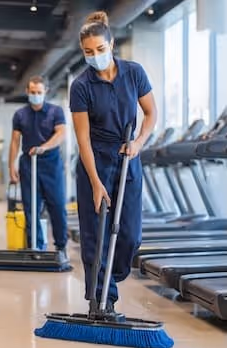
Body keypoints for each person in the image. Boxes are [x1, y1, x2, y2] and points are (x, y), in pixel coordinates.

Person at [70, 11, 157, 315]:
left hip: (127, 157)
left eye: (100, 50)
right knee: (96, 235)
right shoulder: (81, 86)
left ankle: (112, 277)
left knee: (130, 235)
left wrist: (138, 143)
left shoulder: (134, 73)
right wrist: (95, 182)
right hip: (95, 160)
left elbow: (150, 114)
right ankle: (101, 298)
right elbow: (82, 140)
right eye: (88, 53)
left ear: (112, 44)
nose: (94, 57)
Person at [8, 75, 69, 261]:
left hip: (51, 163)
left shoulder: (56, 112)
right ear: (27, 92)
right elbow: (15, 141)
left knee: (57, 205)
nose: (35, 95)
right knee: (30, 207)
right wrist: (11, 165)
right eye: (32, 92)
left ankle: (60, 246)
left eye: (39, 92)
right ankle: (36, 246)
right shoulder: (20, 115)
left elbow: (61, 134)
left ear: (45, 92)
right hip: (28, 164)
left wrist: (45, 147)